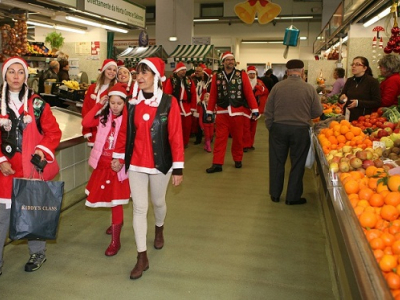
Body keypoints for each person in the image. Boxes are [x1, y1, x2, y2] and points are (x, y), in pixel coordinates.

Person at [111, 57, 184, 280]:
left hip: (161, 163)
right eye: (138, 73)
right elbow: (124, 132)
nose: (140, 77)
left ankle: (159, 227)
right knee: (139, 209)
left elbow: (175, 135)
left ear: (156, 77)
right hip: (136, 163)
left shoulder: (169, 103)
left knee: (159, 202)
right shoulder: (131, 104)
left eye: (145, 73)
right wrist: (118, 157)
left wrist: (178, 168)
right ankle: (141, 256)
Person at [0, 57, 62, 274]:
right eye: (11, 72)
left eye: (20, 72)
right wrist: (1, 161)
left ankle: (38, 253)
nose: (16, 76)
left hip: (31, 169)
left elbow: (53, 132)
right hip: (5, 171)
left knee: (32, 213)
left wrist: (41, 150)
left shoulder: (37, 104)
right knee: (1, 218)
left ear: (26, 76)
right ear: (5, 75)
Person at [264, 59, 322, 205]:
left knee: (277, 162)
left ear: (287, 71)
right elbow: (317, 112)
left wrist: (271, 127)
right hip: (300, 130)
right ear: (302, 72)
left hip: (278, 128)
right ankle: (293, 197)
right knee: (297, 163)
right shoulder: (309, 88)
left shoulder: (277, 87)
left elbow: (268, 110)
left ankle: (275, 194)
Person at [82, 83, 130, 257]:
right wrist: (98, 105)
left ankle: (115, 241)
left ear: (125, 103)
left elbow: (132, 144)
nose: (115, 106)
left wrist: (121, 160)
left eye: (119, 103)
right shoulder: (103, 117)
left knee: (116, 201)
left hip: (117, 167)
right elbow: (86, 122)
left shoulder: (128, 120)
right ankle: (116, 224)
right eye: (112, 102)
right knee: (108, 197)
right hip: (102, 165)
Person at [205, 51, 259, 173]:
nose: (230, 61)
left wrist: (254, 109)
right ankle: (217, 163)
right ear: (223, 62)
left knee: (238, 138)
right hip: (222, 113)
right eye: (228, 59)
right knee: (220, 139)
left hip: (238, 113)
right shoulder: (216, 76)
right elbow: (213, 95)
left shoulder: (242, 75)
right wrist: (209, 111)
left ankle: (238, 159)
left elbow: (249, 94)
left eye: (232, 59)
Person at [81, 59, 117, 147]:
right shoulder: (92, 88)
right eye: (109, 69)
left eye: (114, 70)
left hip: (108, 131)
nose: (112, 72)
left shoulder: (116, 89)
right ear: (103, 70)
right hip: (93, 130)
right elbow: (86, 108)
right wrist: (87, 130)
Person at [163, 61, 197, 148]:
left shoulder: (189, 81)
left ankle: (185, 143)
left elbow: (193, 94)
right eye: (182, 70)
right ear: (177, 71)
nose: (184, 71)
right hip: (176, 107)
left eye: (185, 70)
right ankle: (176, 143)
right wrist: (169, 108)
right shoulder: (171, 81)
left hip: (187, 107)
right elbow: (167, 95)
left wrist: (193, 108)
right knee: (176, 127)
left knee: (187, 127)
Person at [339, 56, 381, 121]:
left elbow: (377, 102)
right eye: (353, 64)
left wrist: (358, 103)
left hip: (364, 119)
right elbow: (341, 98)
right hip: (348, 116)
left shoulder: (372, 82)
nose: (353, 66)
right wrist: (341, 99)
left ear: (365, 68)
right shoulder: (350, 80)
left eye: (357, 64)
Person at [243, 66, 269, 151]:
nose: (252, 75)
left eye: (253, 74)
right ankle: (245, 145)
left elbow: (265, 91)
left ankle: (250, 144)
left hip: (256, 108)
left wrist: (259, 89)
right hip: (245, 108)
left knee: (253, 128)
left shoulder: (259, 82)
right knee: (245, 127)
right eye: (250, 74)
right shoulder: (243, 82)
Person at [191, 63, 212, 145]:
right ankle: (199, 138)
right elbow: (196, 92)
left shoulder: (210, 83)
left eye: (203, 74)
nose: (201, 75)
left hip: (207, 106)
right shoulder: (200, 82)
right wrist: (198, 100)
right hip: (200, 105)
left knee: (208, 122)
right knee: (199, 122)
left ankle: (208, 138)